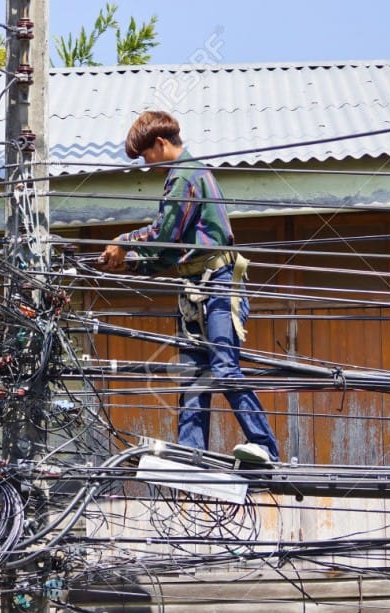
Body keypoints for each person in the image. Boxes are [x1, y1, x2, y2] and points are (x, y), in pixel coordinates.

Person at [99, 111, 279, 466]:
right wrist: (130, 258)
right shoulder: (189, 174)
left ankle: (266, 447)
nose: (147, 165)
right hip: (196, 286)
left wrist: (123, 242)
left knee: (224, 367)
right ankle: (189, 453)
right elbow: (168, 250)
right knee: (194, 373)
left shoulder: (184, 175)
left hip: (218, 284)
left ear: (161, 144)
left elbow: (164, 236)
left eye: (147, 156)